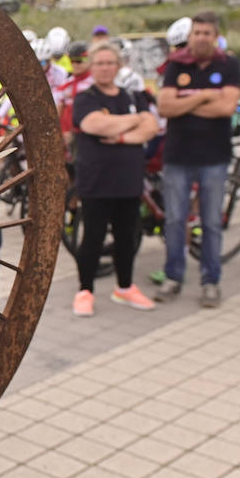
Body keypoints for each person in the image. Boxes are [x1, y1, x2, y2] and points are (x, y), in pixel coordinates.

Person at [155, 10, 240, 307]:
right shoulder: (175, 65)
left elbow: (226, 107)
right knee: (175, 221)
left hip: (214, 158)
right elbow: (165, 107)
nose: (201, 37)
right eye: (197, 32)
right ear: (190, 36)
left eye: (207, 33)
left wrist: (185, 102)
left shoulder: (229, 65)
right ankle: (173, 277)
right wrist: (205, 96)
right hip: (178, 156)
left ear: (215, 36)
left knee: (211, 223)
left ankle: (210, 281)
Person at [71, 43, 159, 316]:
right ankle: (85, 290)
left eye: (110, 63)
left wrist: (121, 135)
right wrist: (135, 120)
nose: (105, 68)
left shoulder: (133, 95)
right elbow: (94, 125)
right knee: (93, 237)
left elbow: (151, 127)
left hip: (128, 180)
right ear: (91, 66)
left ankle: (125, 287)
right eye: (99, 63)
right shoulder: (86, 97)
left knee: (126, 237)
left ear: (119, 65)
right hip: (96, 180)